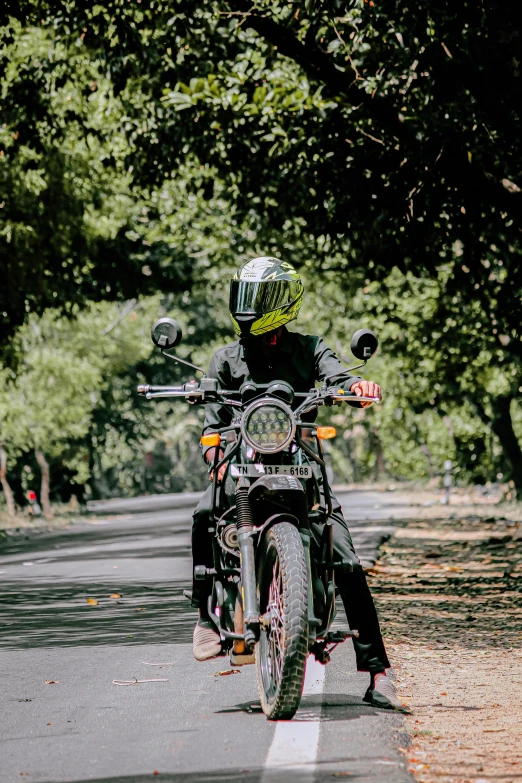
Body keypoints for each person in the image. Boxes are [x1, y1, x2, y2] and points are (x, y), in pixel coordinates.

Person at [191, 257, 403, 711]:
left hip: (302, 469)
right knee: (204, 514)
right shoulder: (225, 359)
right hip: (243, 468)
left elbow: (336, 375)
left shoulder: (309, 348)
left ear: (282, 302)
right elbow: (211, 430)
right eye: (245, 297)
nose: (249, 308)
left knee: (345, 557)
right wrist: (217, 460)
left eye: (259, 298)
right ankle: (207, 616)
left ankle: (377, 673)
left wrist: (355, 387)